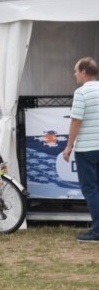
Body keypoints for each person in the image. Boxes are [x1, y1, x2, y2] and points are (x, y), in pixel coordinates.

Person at [62, 56, 99, 243]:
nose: (75, 74)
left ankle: (98, 230)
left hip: (87, 148)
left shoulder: (81, 93)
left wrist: (69, 146)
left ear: (84, 72)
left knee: (91, 189)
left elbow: (76, 120)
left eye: (76, 71)